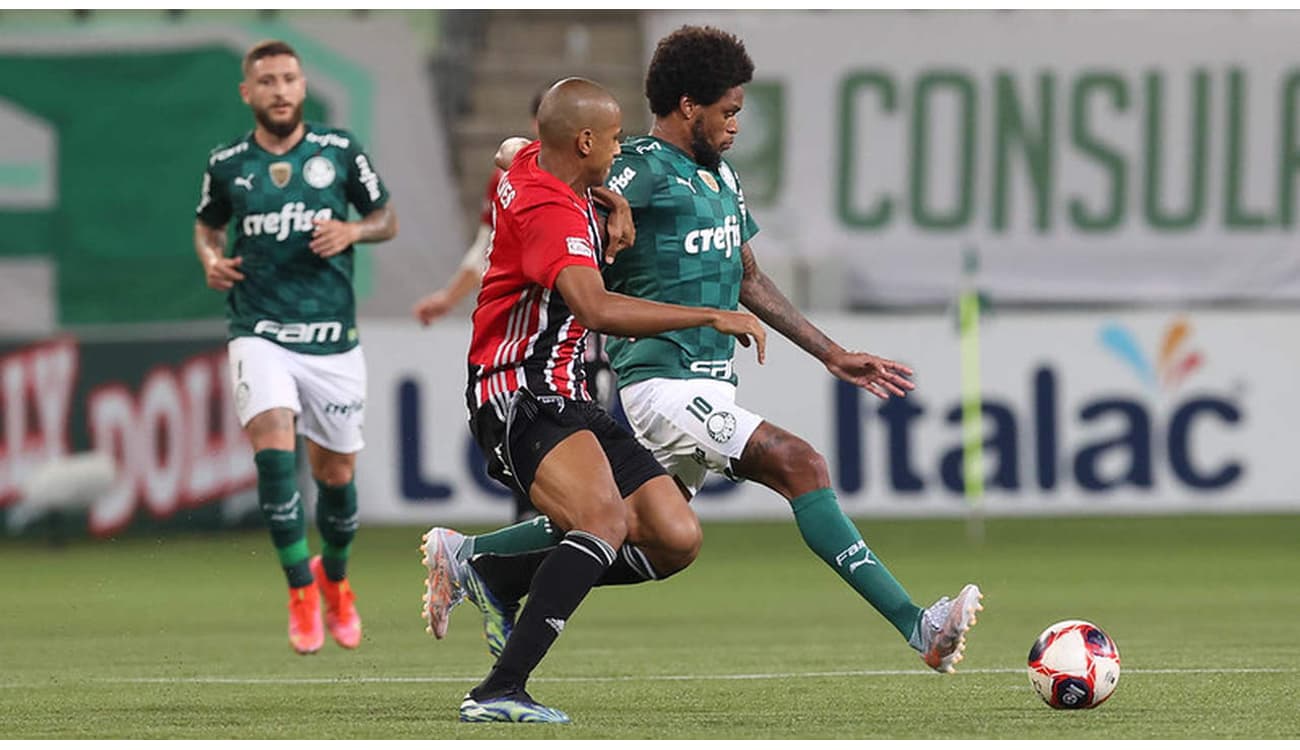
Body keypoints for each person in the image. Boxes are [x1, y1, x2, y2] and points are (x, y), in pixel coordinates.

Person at [463, 26, 983, 675]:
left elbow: (750, 278)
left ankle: (475, 560)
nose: (737, 125)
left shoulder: (721, 178)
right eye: (729, 111)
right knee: (799, 464)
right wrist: (606, 193)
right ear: (688, 106)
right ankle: (918, 626)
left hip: (709, 382)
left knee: (647, 529)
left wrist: (830, 353)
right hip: (660, 383)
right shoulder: (642, 165)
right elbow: (547, 158)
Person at [420, 77, 766, 724]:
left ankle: (492, 569)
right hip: (518, 390)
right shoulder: (550, 211)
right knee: (602, 523)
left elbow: (508, 146)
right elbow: (596, 308)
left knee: (674, 536)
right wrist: (709, 317)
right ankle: (498, 689)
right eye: (611, 141)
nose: (619, 152)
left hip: (566, 394)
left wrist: (610, 204)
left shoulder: (538, 165)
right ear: (583, 141)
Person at [194, 40, 398, 655]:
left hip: (332, 338)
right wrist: (209, 257)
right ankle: (298, 591)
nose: (279, 90)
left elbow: (385, 217)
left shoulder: (338, 151)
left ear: (303, 85)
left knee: (335, 474)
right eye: (267, 81)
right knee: (274, 449)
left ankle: (333, 581)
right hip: (258, 330)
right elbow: (208, 223)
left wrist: (352, 229)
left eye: (289, 78)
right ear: (247, 93)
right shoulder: (227, 162)